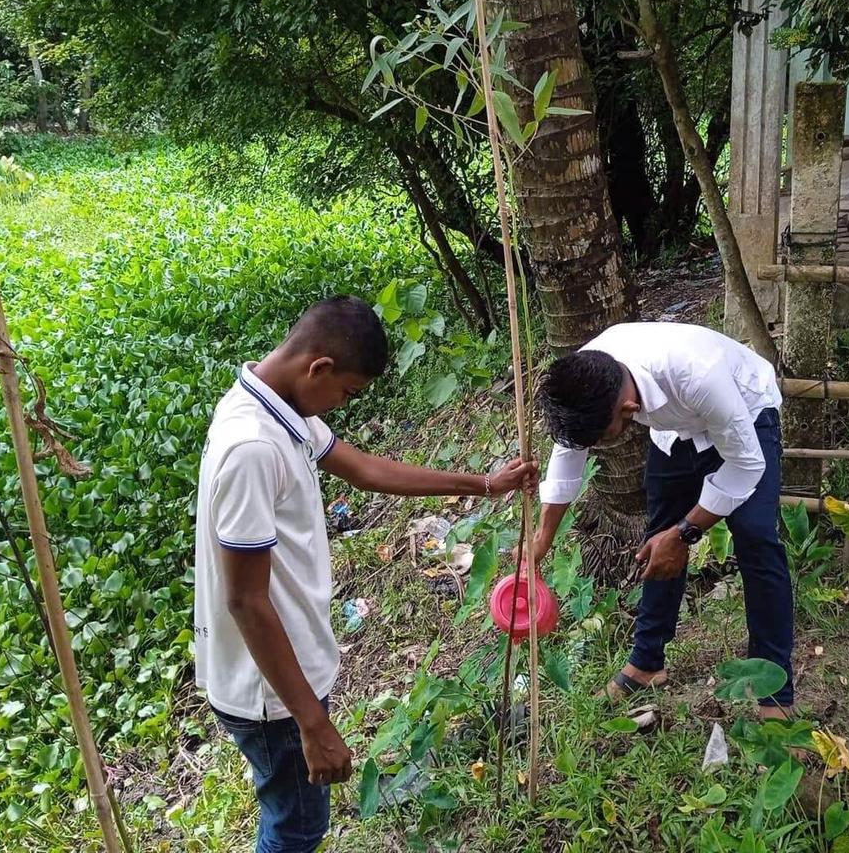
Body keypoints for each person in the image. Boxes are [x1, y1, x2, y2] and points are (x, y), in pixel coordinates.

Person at [194, 295, 536, 853]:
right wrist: (312, 723)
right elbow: (246, 601)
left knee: (293, 822)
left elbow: (365, 468)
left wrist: (481, 484)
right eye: (347, 393)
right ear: (319, 368)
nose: (343, 405)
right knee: (295, 829)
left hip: (285, 674)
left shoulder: (278, 406)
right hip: (272, 691)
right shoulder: (254, 446)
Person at [526, 322, 793, 718]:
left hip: (745, 415)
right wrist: (542, 539)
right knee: (657, 535)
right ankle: (648, 662)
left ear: (630, 411)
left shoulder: (697, 374)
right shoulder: (586, 377)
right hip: (675, 432)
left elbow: (745, 466)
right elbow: (567, 456)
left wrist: (685, 534)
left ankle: (775, 690)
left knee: (755, 538)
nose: (597, 447)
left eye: (602, 437)